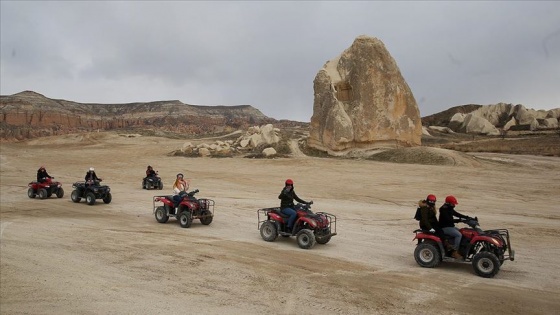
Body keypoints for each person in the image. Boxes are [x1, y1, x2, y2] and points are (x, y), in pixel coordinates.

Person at [439, 195, 470, 260]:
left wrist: (467, 217)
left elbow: (456, 214)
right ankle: (454, 251)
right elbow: (449, 220)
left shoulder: (449, 208)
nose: (454, 205)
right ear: (449, 203)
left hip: (450, 226)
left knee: (463, 232)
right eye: (453, 204)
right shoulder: (444, 210)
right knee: (458, 235)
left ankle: (461, 249)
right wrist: (460, 220)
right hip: (445, 227)